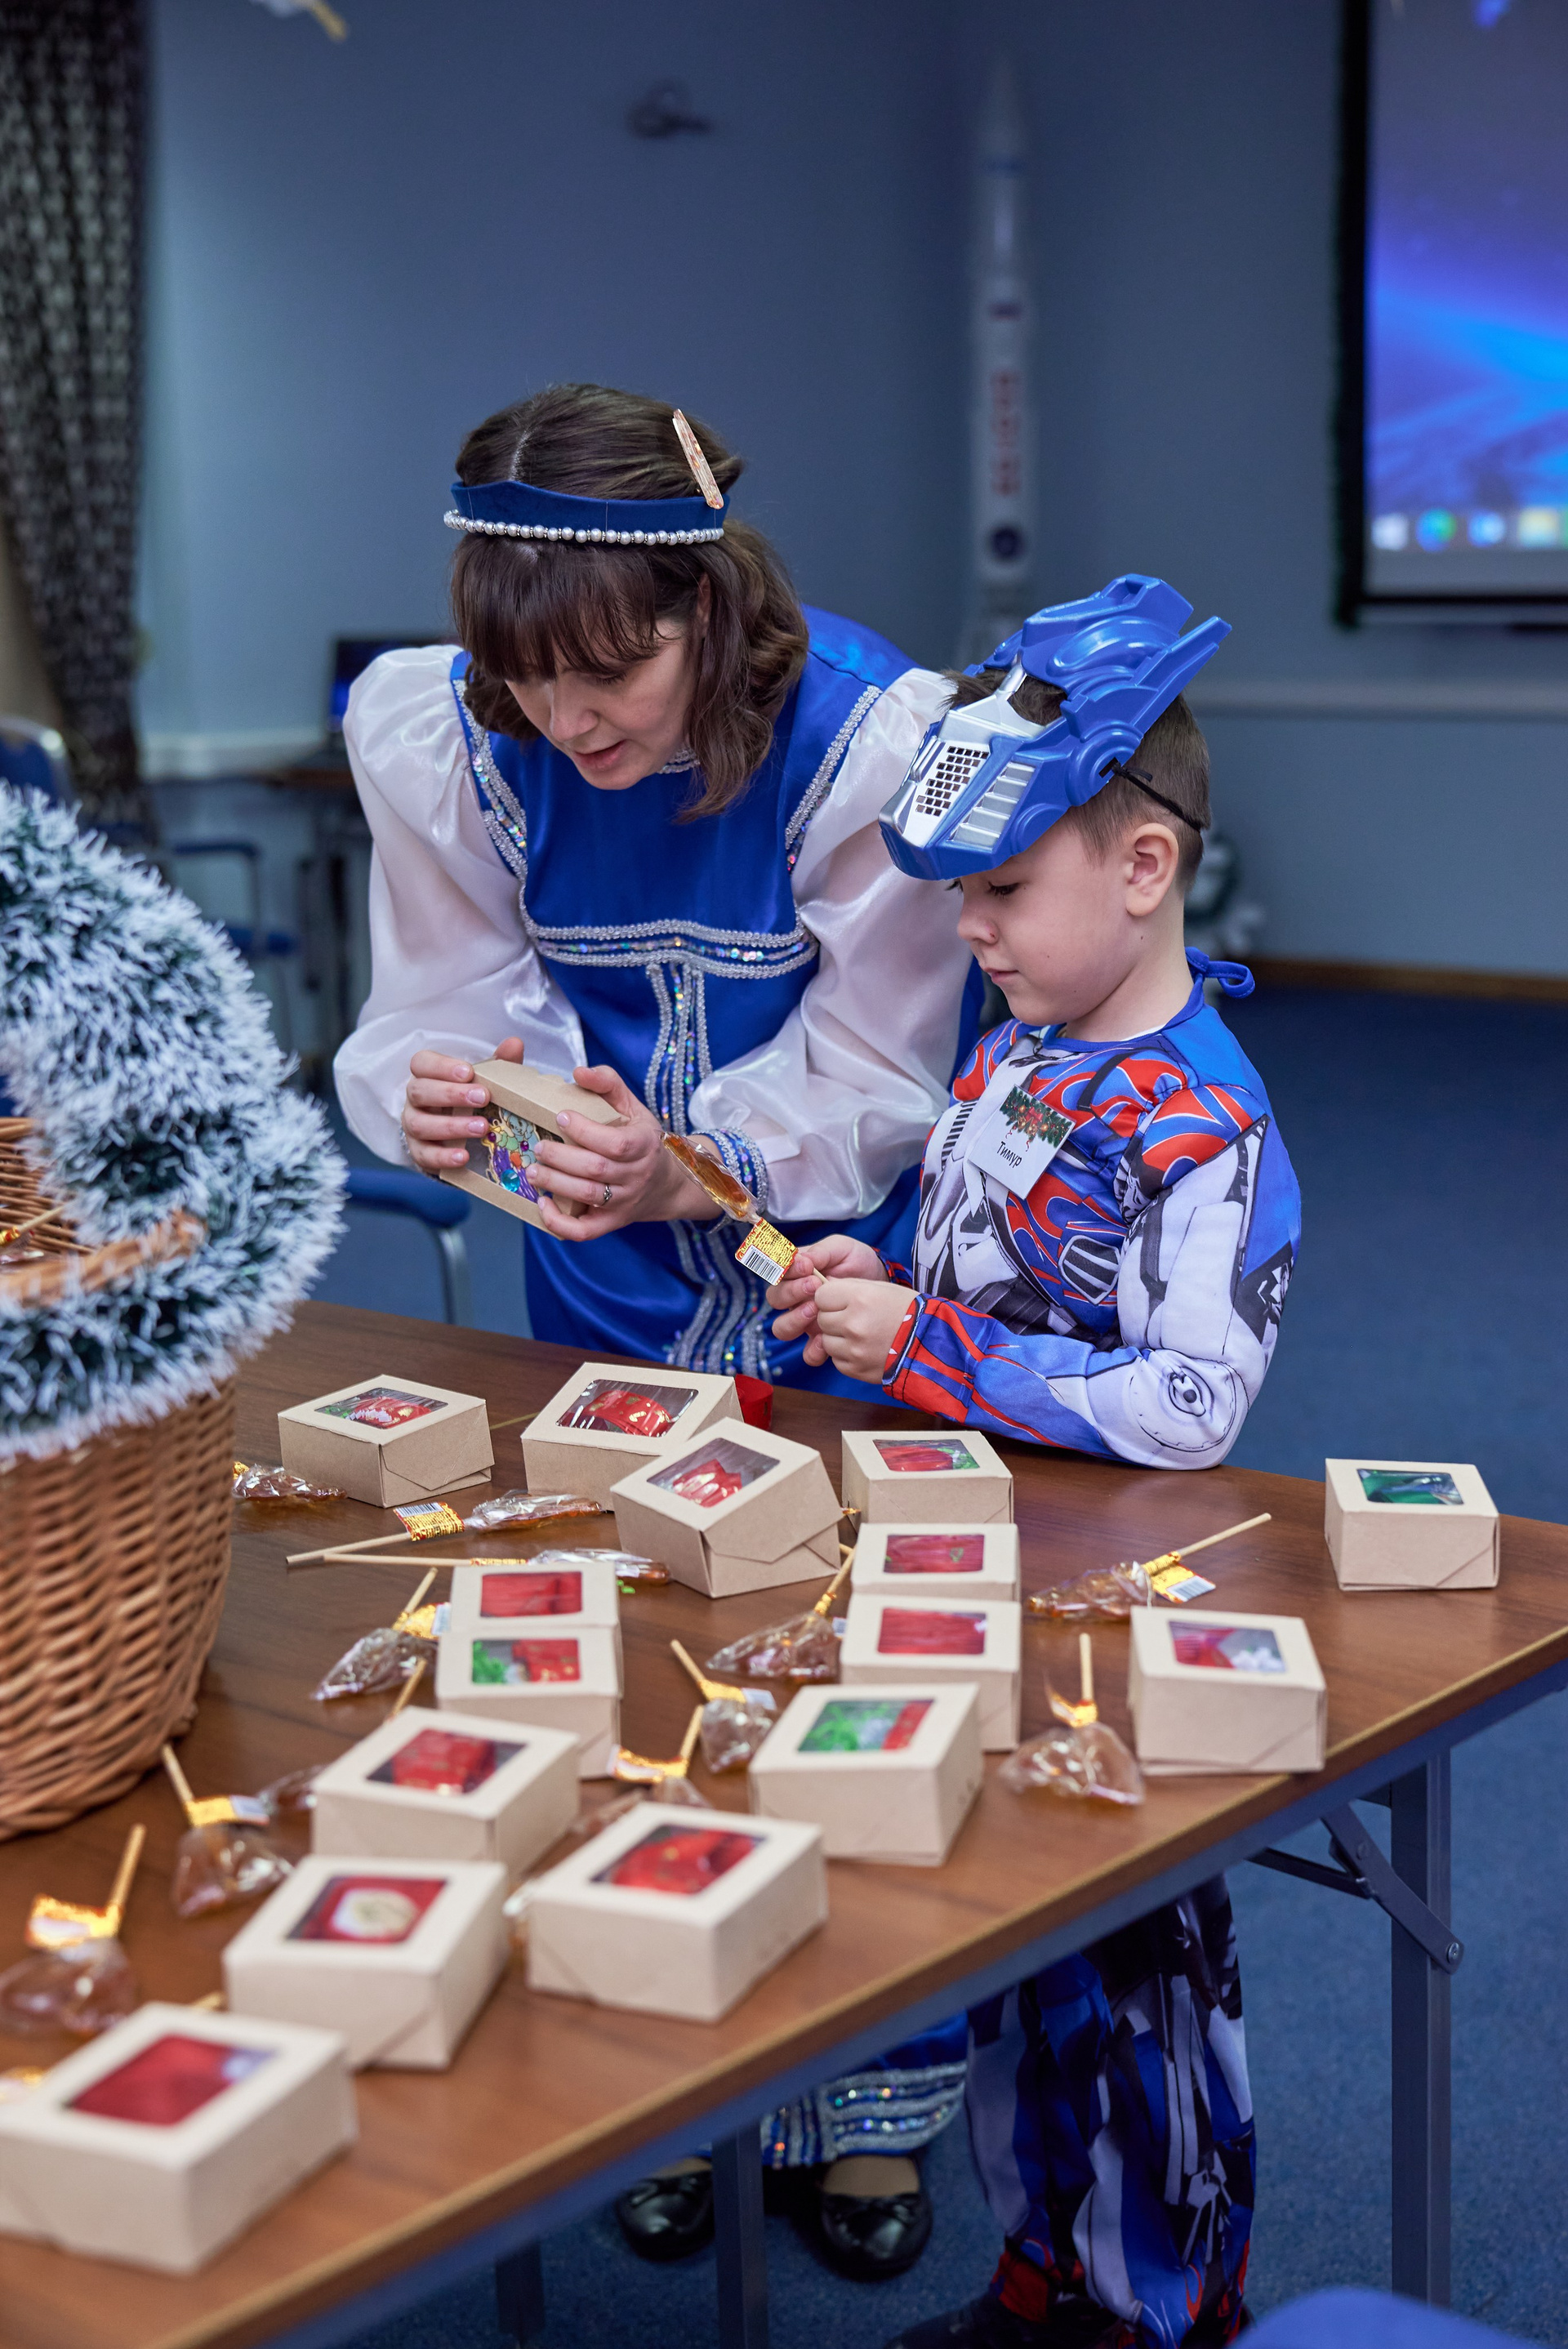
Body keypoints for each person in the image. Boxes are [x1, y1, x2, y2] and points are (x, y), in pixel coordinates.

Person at [332, 383, 982, 2276]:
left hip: (835, 1292)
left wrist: (694, 1162)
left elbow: (884, 1069)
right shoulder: (451, 733)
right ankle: (661, 2070)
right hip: (602, 1286)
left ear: (707, 605)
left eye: (608, 671)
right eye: (530, 680)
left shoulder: (865, 740)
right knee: (625, 1668)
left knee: (853, 1670)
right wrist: (447, 1092)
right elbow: (448, 992)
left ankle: (869, 2107)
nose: (568, 721)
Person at [768, 577, 1303, 2347]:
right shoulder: (1017, 1048)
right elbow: (969, 1260)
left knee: (1138, 1987)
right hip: (976, 1567)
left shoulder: (1207, 1127)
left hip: (1118, 1601)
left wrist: (927, 1347)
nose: (970, 927)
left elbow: (1191, 1402)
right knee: (1013, 1967)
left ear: (1143, 867)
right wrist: (870, 1284)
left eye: (1001, 889)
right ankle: (1041, 2279)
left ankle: (1159, 2313)